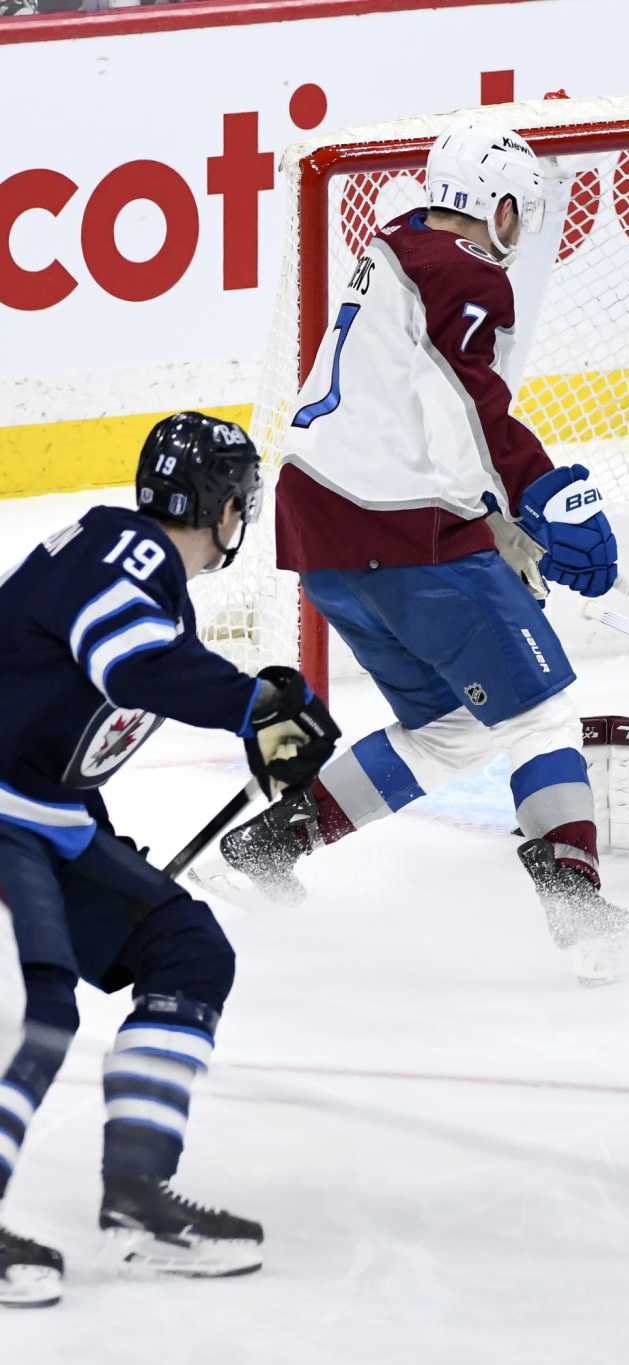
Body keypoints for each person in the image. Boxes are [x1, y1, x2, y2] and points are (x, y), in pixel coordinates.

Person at [214, 123, 629, 984]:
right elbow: (471, 400)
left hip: (322, 532)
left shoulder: (401, 247)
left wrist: (497, 518)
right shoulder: (465, 273)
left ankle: (275, 841)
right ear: (501, 207)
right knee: (541, 714)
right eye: (522, 215)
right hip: (402, 528)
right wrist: (538, 490)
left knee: (449, 728)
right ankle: (579, 908)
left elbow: (420, 408)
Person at [0, 412, 340, 1304]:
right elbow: (127, 662)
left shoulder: (137, 570)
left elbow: (59, 712)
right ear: (226, 509)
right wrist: (251, 704)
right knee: (39, 1009)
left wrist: (261, 708)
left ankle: (138, 1198)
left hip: (47, 817)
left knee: (185, 949)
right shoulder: (130, 552)